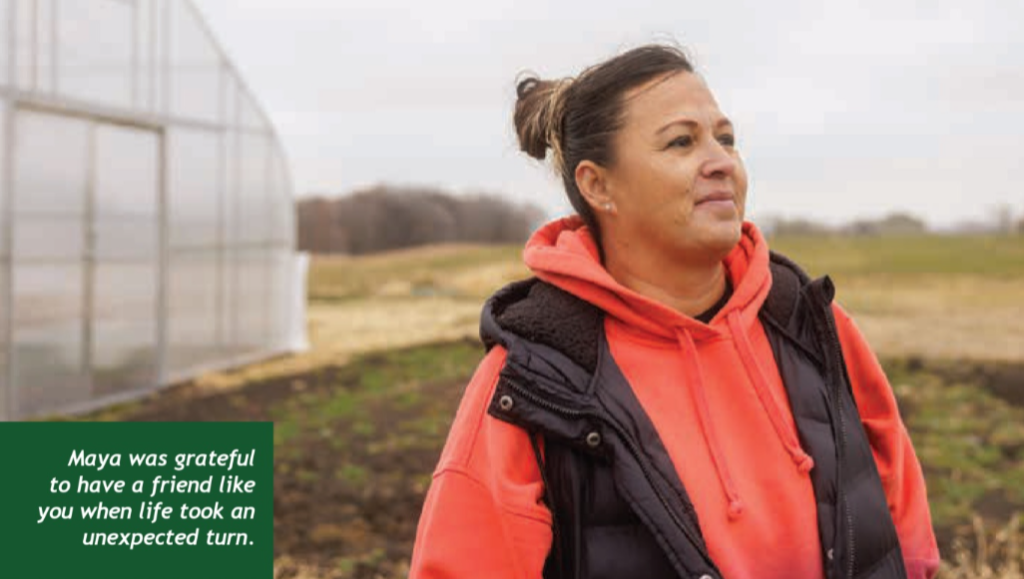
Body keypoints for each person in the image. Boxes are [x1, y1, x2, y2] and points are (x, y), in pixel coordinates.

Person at [409, 44, 940, 579]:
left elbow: (905, 529)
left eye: (726, 139)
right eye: (681, 142)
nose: (720, 162)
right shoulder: (533, 380)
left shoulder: (809, 323)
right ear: (598, 185)